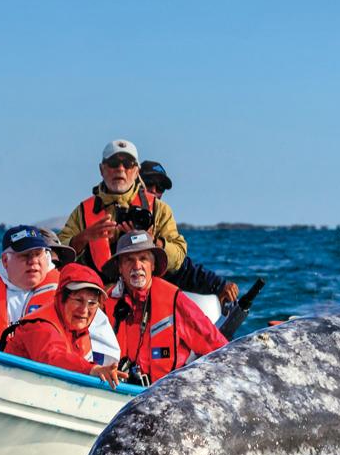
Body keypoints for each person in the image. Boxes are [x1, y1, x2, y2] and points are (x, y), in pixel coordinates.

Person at [0, 225, 121, 364]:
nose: (33, 261)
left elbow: (108, 355)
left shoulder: (73, 290)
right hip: (1, 371)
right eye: (25, 255)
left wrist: (93, 369)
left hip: (64, 373)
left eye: (38, 254)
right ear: (5, 260)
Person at [103, 231, 228, 385]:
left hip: (167, 395)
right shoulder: (104, 301)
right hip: (115, 390)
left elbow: (217, 347)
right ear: (120, 267)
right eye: (129, 260)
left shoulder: (175, 299)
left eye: (143, 259)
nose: (137, 266)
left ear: (153, 265)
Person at [59, 139, 187, 280]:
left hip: (143, 291)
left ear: (136, 171)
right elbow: (57, 255)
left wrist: (152, 241)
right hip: (98, 294)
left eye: (127, 164)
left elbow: (179, 257)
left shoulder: (159, 209)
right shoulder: (82, 211)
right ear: (102, 169)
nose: (120, 169)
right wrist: (84, 237)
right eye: (113, 164)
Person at [2, 264, 128, 388]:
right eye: (78, 300)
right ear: (61, 298)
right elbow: (54, 357)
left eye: (92, 303)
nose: (84, 310)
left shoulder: (77, 329)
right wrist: (92, 369)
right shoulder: (40, 326)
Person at [140, 159, 239, 305]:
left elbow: (181, 267)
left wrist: (219, 285)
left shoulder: (162, 216)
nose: (154, 190)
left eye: (160, 187)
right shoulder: (111, 212)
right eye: (148, 183)